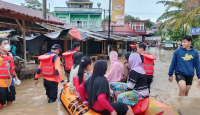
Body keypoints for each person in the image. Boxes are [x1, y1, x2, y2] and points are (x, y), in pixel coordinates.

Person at [0, 38, 19, 106]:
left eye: (7, 43)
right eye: (5, 44)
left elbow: (12, 69)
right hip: (1, 83)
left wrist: (16, 78)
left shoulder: (10, 55)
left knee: (10, 101)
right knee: (1, 104)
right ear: (0, 46)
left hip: (10, 82)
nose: (7, 45)